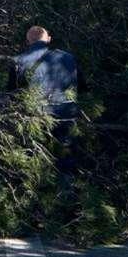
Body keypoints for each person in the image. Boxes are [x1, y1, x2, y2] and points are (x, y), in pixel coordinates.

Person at [10, 25, 80, 174]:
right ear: (48, 39)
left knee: (32, 156)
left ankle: (34, 187)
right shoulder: (68, 58)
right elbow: (80, 86)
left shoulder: (19, 61)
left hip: (35, 116)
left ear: (28, 42)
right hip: (65, 114)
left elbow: (13, 94)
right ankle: (66, 190)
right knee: (65, 158)